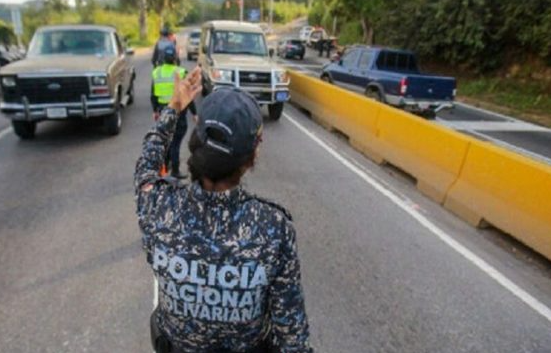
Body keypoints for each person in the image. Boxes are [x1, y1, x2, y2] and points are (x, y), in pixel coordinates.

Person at [135, 67, 314, 353]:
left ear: (196, 143)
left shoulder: (158, 205)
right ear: (252, 155)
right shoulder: (274, 228)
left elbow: (147, 162)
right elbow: (292, 336)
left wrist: (174, 107)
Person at [150, 45, 197, 178]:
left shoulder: (156, 72)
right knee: (175, 141)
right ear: (175, 58)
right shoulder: (181, 72)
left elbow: (152, 94)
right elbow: (188, 96)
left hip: (163, 110)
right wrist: (194, 113)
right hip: (179, 111)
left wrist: (155, 110)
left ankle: (165, 166)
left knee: (165, 139)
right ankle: (175, 171)